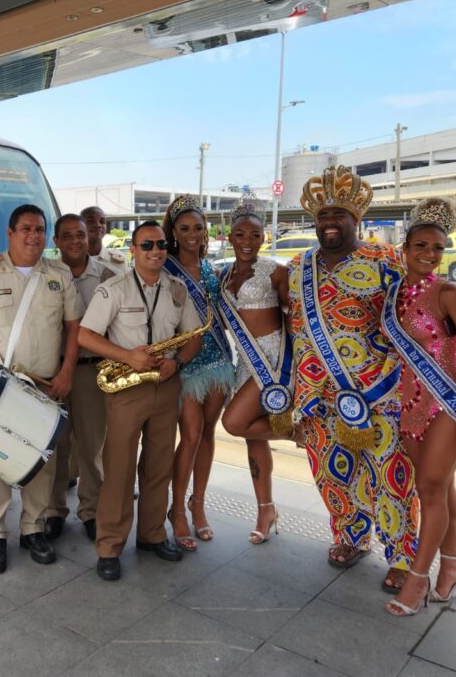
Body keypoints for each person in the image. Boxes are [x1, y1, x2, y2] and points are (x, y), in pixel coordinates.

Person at [286, 165, 418, 593]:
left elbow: (408, 322)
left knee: (389, 473)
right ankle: (350, 535)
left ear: (355, 220)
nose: (328, 224)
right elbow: (291, 328)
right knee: (332, 473)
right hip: (318, 395)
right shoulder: (297, 267)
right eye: (322, 217)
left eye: (337, 216)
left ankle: (402, 555)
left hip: (377, 391)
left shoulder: (385, 260)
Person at [0, 204, 83, 574]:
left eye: (39, 229)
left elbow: (74, 328)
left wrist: (68, 370)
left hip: (43, 386)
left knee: (42, 460)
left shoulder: (58, 275)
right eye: (26, 229)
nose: (33, 235)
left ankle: (32, 528)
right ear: (9, 233)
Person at [381, 198, 456, 616]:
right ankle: (453, 565)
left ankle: (418, 580)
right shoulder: (393, 297)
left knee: (429, 487)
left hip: (448, 402)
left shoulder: (450, 294)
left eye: (438, 248)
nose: (429, 255)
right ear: (404, 250)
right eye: (421, 246)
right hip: (408, 403)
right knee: (440, 487)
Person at [78, 220, 202, 581]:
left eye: (161, 244)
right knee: (118, 469)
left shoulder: (177, 289)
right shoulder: (112, 289)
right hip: (128, 387)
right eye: (146, 245)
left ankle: (151, 535)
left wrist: (177, 361)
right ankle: (109, 545)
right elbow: (85, 336)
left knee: (159, 465)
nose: (155, 251)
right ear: (132, 250)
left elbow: (192, 336)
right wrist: (126, 356)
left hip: (166, 384)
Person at [162, 195, 236, 551]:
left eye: (198, 228)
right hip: (187, 364)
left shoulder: (212, 269)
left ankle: (199, 503)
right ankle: (177, 510)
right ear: (174, 232)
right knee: (189, 436)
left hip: (219, 362)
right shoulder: (165, 267)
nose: (192, 234)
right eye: (185, 228)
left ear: (207, 230)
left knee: (208, 434)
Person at [217, 204, 291, 544]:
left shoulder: (274, 271)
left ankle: (298, 433)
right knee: (253, 437)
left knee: (233, 422)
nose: (248, 241)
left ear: (265, 237)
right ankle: (265, 509)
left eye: (256, 234)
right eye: (241, 234)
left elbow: (297, 318)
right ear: (230, 236)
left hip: (274, 359)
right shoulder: (224, 275)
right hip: (245, 361)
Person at [45, 214, 115, 541]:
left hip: (91, 371)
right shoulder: (43, 274)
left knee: (91, 447)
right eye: (67, 235)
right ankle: (53, 511)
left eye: (81, 235)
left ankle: (90, 511)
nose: (75, 241)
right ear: (56, 241)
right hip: (51, 371)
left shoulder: (107, 276)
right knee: (54, 445)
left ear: (89, 238)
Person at [81, 206, 127, 274]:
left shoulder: (119, 260)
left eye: (102, 221)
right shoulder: (69, 261)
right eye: (91, 221)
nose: (98, 225)